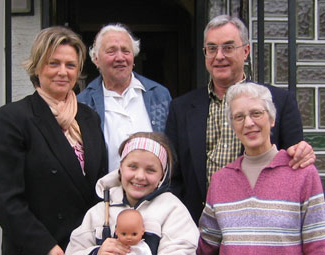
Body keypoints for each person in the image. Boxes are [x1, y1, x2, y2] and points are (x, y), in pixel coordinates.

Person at [165, 14, 316, 224]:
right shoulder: (181, 108)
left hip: (261, 226)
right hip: (196, 227)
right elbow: (173, 176)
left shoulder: (279, 102)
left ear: (245, 51)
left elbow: (295, 163)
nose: (219, 56)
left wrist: (304, 153)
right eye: (211, 48)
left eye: (228, 47)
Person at [0, 26, 108, 255]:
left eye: (70, 65)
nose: (63, 72)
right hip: (37, 247)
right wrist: (47, 247)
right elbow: (4, 197)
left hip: (85, 247)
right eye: (53, 63)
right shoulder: (13, 118)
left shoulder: (89, 117)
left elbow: (99, 187)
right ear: (37, 66)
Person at [197, 82, 325, 254]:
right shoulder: (220, 180)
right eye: (239, 117)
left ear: (272, 119)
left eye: (256, 113)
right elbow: (206, 247)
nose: (249, 123)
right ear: (233, 127)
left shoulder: (302, 172)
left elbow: (317, 246)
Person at [65, 132, 199, 255]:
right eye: (133, 167)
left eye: (150, 170)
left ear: (162, 176)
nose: (140, 176)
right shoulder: (99, 212)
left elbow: (183, 249)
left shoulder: (173, 210)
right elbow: (74, 250)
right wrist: (96, 252)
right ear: (121, 168)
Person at [77, 23, 172, 172]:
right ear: (96, 59)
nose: (120, 57)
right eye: (111, 51)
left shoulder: (159, 95)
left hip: (155, 192)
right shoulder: (83, 103)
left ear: (133, 58)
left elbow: (171, 147)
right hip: (105, 192)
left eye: (126, 51)